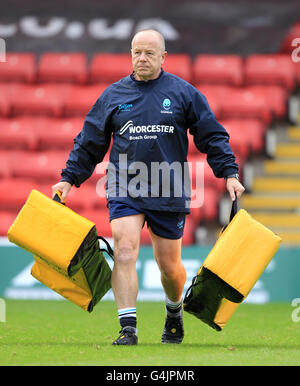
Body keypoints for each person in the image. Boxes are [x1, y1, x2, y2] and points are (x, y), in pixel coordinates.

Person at [52, 29, 245, 346]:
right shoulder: (113, 96)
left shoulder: (183, 93)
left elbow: (212, 135)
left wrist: (229, 173)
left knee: (169, 268)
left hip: (168, 189)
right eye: (136, 52)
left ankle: (173, 311)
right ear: (130, 54)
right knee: (125, 249)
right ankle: (128, 328)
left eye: (149, 53)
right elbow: (89, 142)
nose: (142, 58)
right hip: (124, 186)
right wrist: (69, 178)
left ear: (163, 57)